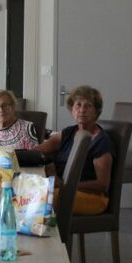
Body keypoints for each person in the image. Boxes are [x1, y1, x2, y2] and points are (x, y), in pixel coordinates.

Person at [36, 85, 113, 215]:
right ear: (72, 109)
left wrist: (64, 184)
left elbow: (102, 185)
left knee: (37, 200)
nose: (82, 110)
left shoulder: (101, 142)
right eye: (78, 105)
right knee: (26, 191)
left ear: (96, 111)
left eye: (88, 106)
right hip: (63, 190)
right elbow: (36, 151)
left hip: (92, 198)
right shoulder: (68, 133)